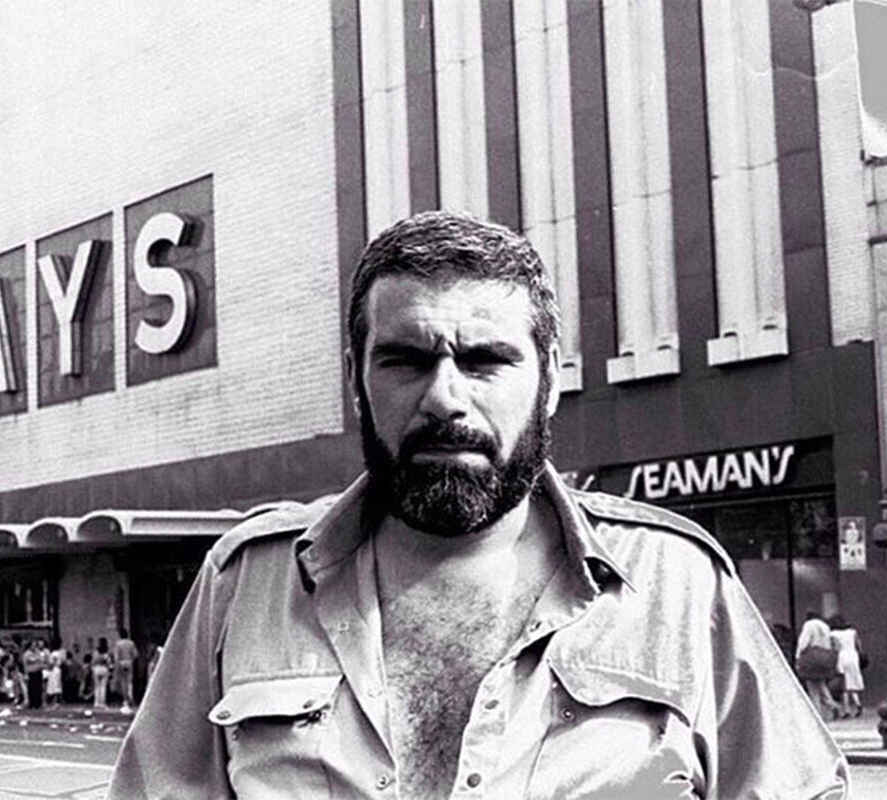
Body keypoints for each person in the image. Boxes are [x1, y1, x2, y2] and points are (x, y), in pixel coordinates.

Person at [109, 212, 849, 799]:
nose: (444, 397)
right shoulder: (244, 584)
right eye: (405, 360)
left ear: (548, 381)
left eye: (484, 360)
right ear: (356, 379)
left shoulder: (677, 584)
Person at [796, 610, 843, 721]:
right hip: (823, 658)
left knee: (813, 689)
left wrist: (798, 657)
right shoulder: (825, 626)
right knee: (821, 685)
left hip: (812, 659)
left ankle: (818, 715)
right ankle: (834, 706)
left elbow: (803, 642)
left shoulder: (809, 625)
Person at [829, 615, 865, 718]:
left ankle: (846, 710)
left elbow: (835, 647)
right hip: (853, 656)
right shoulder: (852, 632)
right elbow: (859, 645)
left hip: (842, 656)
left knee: (844, 684)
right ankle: (858, 703)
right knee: (852, 682)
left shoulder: (833, 634)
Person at [113, 628, 138, 713]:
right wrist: (131, 659)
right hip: (129, 662)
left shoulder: (118, 644)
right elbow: (135, 654)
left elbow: (116, 656)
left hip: (121, 662)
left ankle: (125, 700)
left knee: (123, 682)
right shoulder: (131, 643)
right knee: (129, 682)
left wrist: (117, 665)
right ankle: (130, 697)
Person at [23, 639, 46, 710]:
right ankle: (32, 703)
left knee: (39, 688)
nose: (35, 647)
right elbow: (27, 663)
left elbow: (42, 659)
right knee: (32, 689)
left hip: (38, 671)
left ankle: (38, 703)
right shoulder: (27, 654)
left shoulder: (37, 652)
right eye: (33, 646)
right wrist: (26, 674)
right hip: (31, 673)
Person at [90, 637, 112, 709]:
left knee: (97, 686)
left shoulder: (96, 652)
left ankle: (96, 702)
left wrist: (92, 668)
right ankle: (102, 702)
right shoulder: (106, 653)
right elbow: (109, 662)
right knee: (103, 686)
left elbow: (93, 661)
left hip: (96, 668)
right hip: (104, 669)